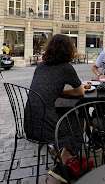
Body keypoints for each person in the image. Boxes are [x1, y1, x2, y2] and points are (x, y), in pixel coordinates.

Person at [24, 34, 84, 183]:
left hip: (29, 123)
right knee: (77, 127)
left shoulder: (40, 65)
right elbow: (80, 92)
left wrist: (58, 91)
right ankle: (59, 167)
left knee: (70, 117)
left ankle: (58, 153)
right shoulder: (66, 68)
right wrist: (62, 91)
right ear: (68, 50)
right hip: (45, 125)